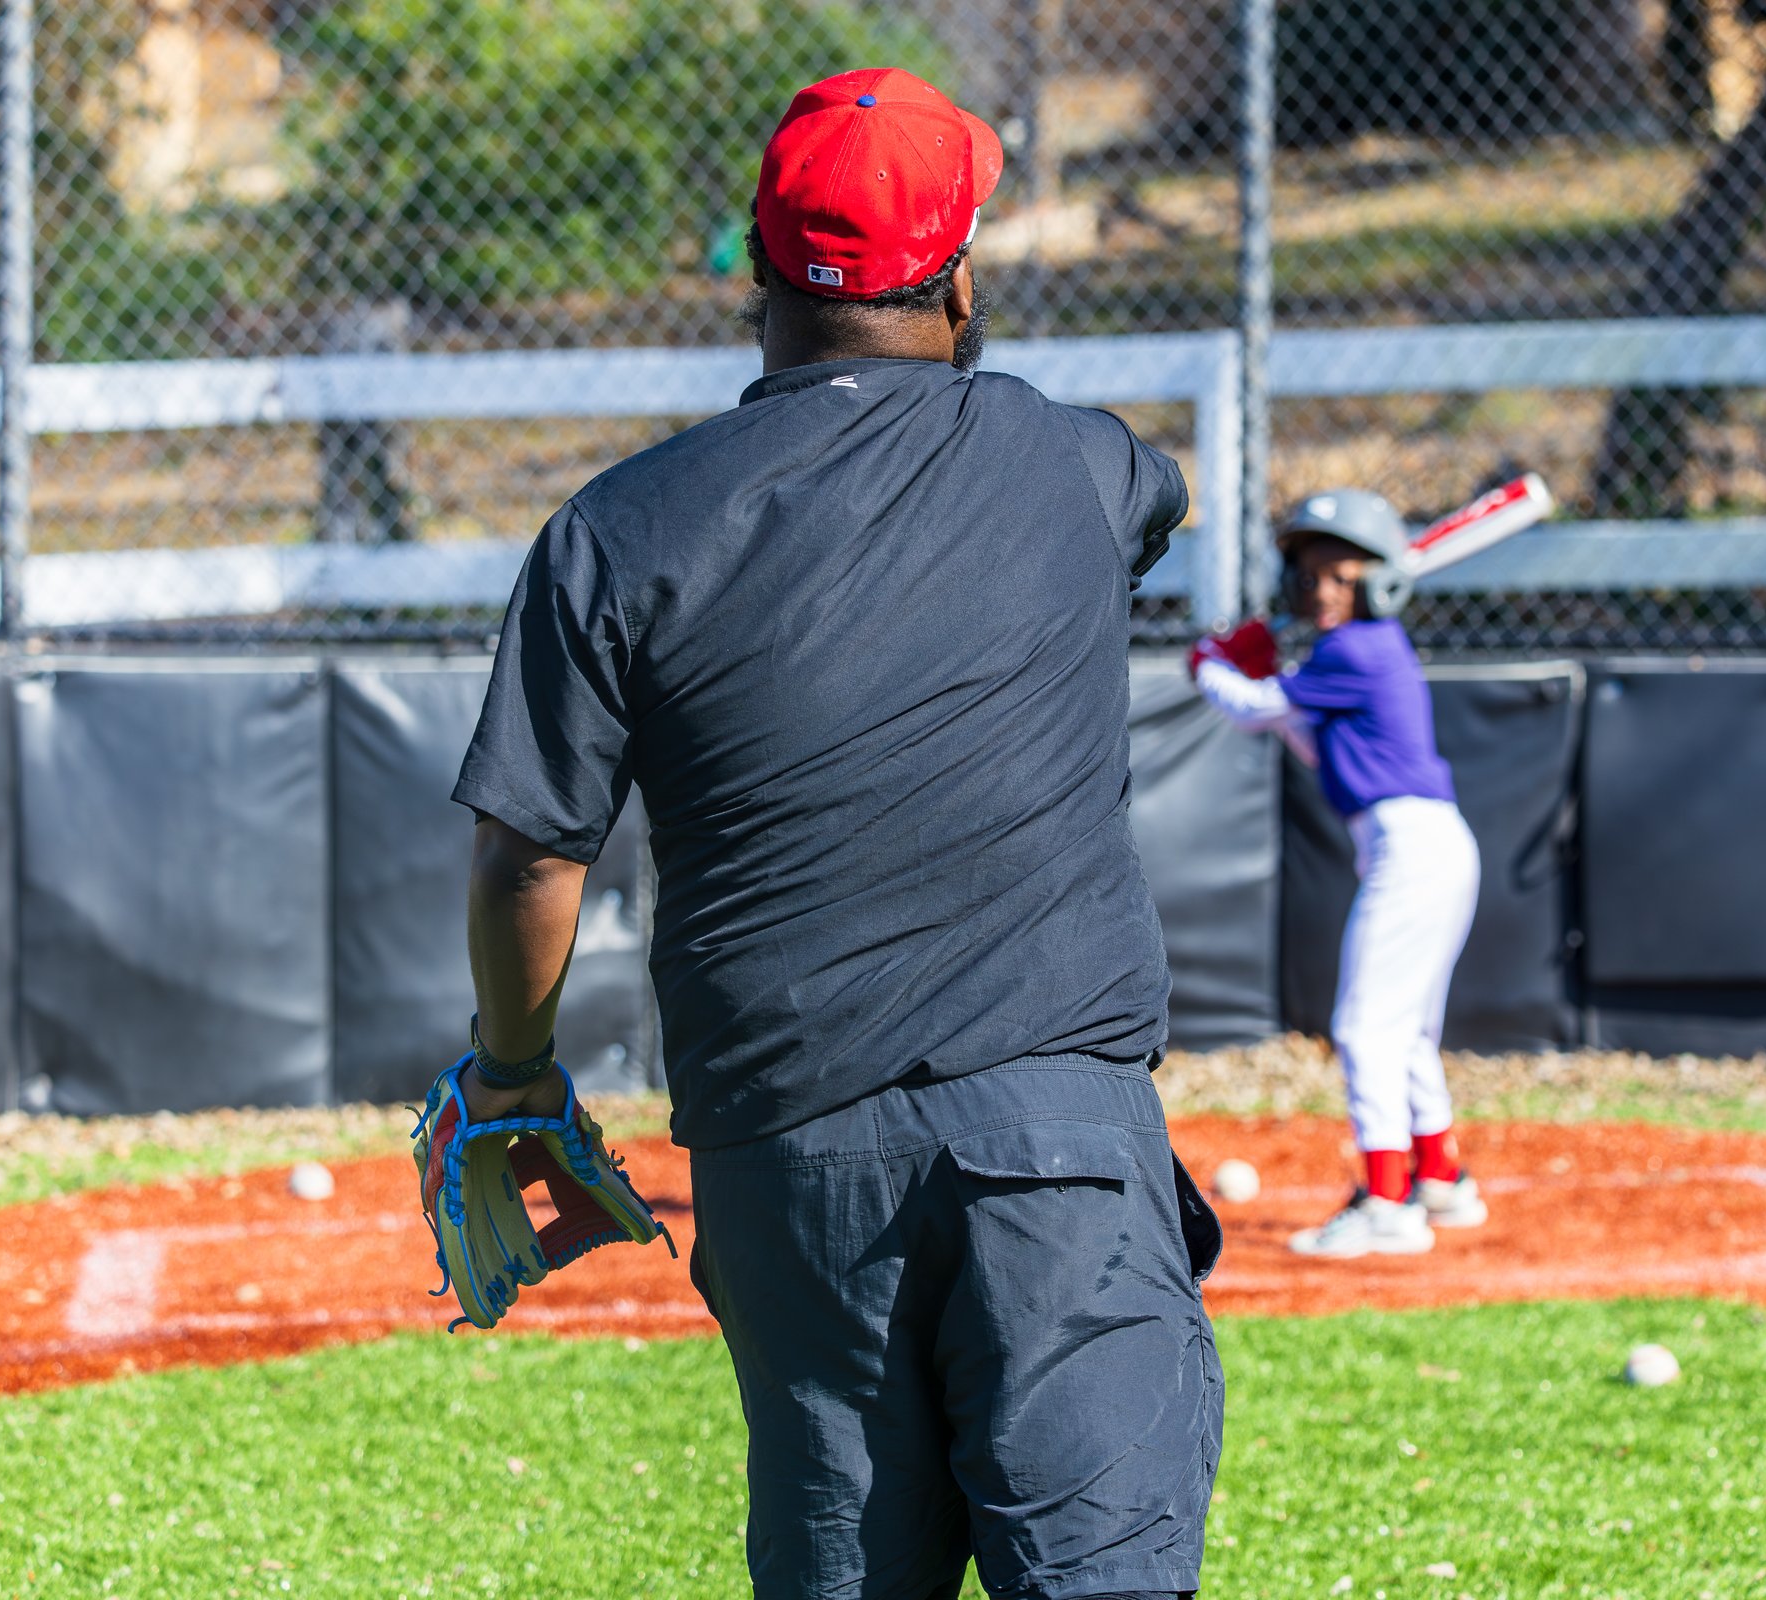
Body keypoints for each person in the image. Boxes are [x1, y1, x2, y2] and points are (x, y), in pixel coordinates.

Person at [449, 67, 1223, 1600]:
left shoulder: (616, 530)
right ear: (959, 271)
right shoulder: (1079, 467)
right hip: (1054, 1134)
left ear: (753, 261)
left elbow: (533, 857)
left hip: (789, 1160)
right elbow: (1164, 499)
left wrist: (516, 1075)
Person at [1188, 490, 1487, 1259]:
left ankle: (1387, 1201)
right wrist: (1254, 676)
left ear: (1379, 580)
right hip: (1424, 842)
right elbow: (1304, 733)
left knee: (1364, 1027)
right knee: (1407, 1031)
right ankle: (1440, 1178)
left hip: (1411, 847)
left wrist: (1212, 665)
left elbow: (1256, 709)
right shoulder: (1357, 655)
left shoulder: (1358, 650)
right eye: (1312, 575)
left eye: (1342, 574)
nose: (1322, 590)